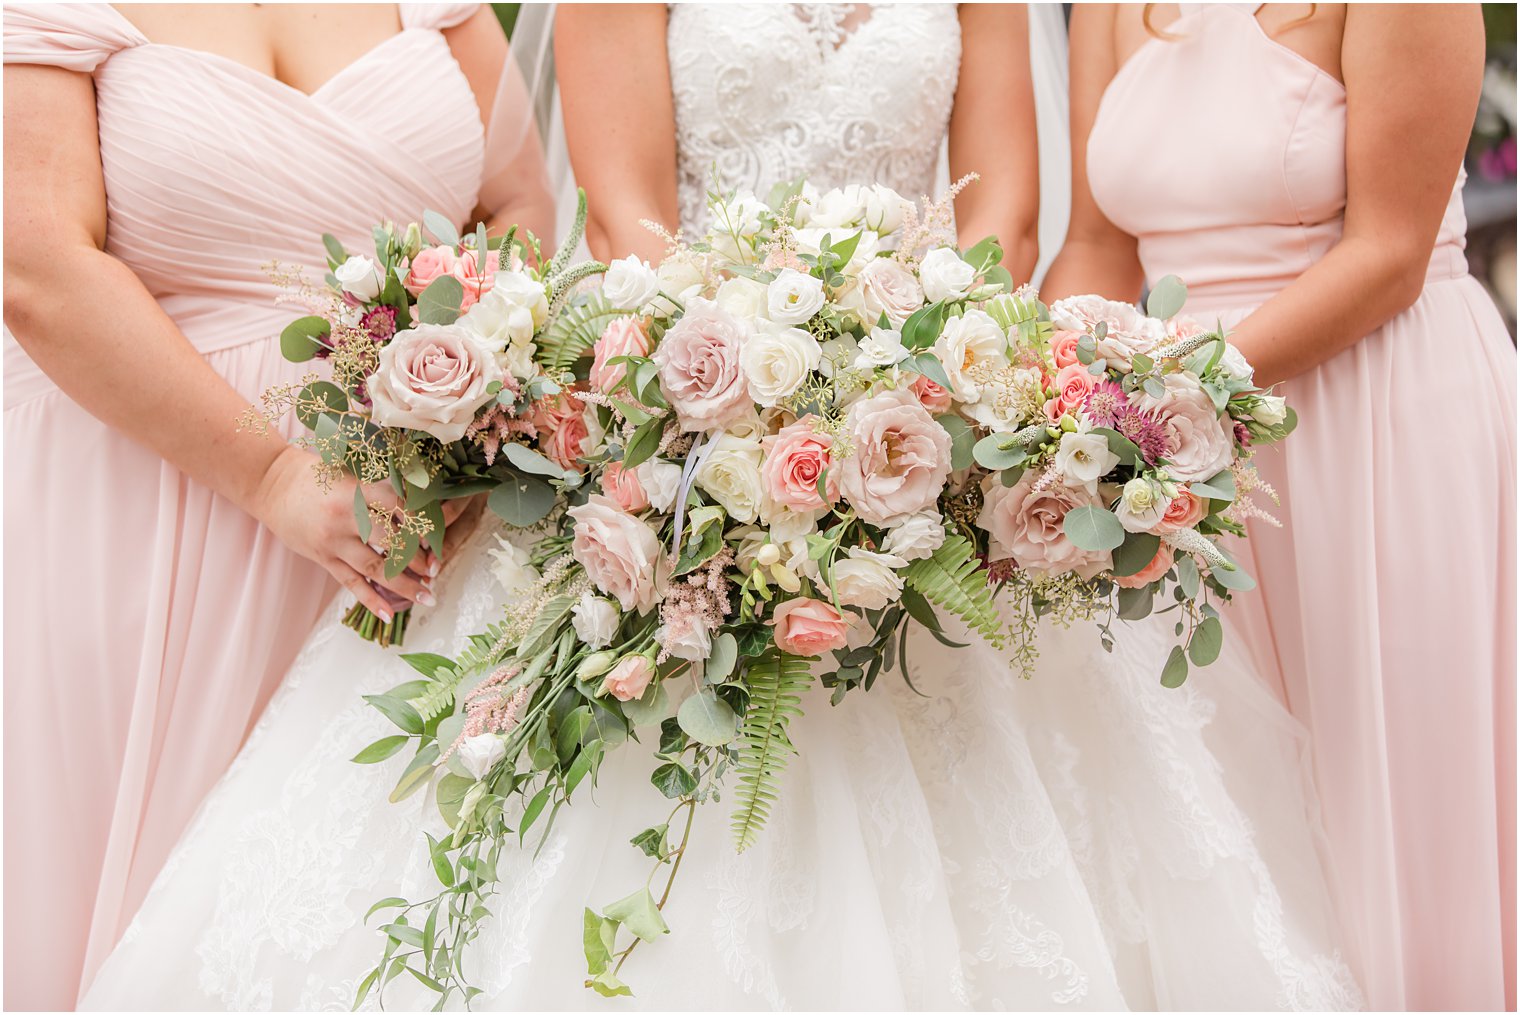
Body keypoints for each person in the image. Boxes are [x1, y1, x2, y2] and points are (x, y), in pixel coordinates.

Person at [82, 5, 1357, 1009]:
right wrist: (738, 361)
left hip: (914, 400)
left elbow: (1005, 214)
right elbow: (623, 201)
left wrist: (895, 370)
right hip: (681, 391)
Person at [1, 3, 551, 1007]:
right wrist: (274, 478)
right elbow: (36, 265)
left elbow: (517, 205)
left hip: (415, 519)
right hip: (157, 513)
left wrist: (467, 426)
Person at [1044, 4, 1517, 1008]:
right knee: (1230, 800)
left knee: (1382, 792)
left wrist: (1171, 402)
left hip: (1375, 418)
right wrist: (1059, 404)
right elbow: (1094, 240)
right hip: (1174, 453)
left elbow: (1388, 253)